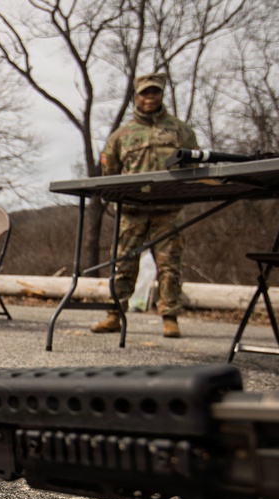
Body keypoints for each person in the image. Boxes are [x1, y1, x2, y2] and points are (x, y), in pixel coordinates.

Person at [91, 72, 199, 338]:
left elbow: (194, 168)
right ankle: (114, 314)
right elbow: (111, 174)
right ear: (135, 97)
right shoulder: (121, 135)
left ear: (161, 95)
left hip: (168, 210)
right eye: (144, 93)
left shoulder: (180, 130)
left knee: (169, 266)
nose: (149, 98)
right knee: (123, 264)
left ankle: (170, 317)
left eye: (154, 92)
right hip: (132, 211)